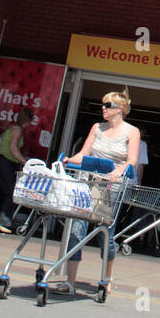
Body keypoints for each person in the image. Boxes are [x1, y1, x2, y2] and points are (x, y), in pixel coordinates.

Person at [55, 89, 140, 293]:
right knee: (76, 229)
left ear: (119, 109)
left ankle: (106, 276)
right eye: (102, 105)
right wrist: (68, 160)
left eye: (107, 105)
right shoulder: (97, 128)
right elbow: (83, 154)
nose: (103, 108)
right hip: (87, 184)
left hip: (111, 188)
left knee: (106, 234)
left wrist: (119, 171)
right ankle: (70, 281)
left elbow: (132, 160)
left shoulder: (132, 132)